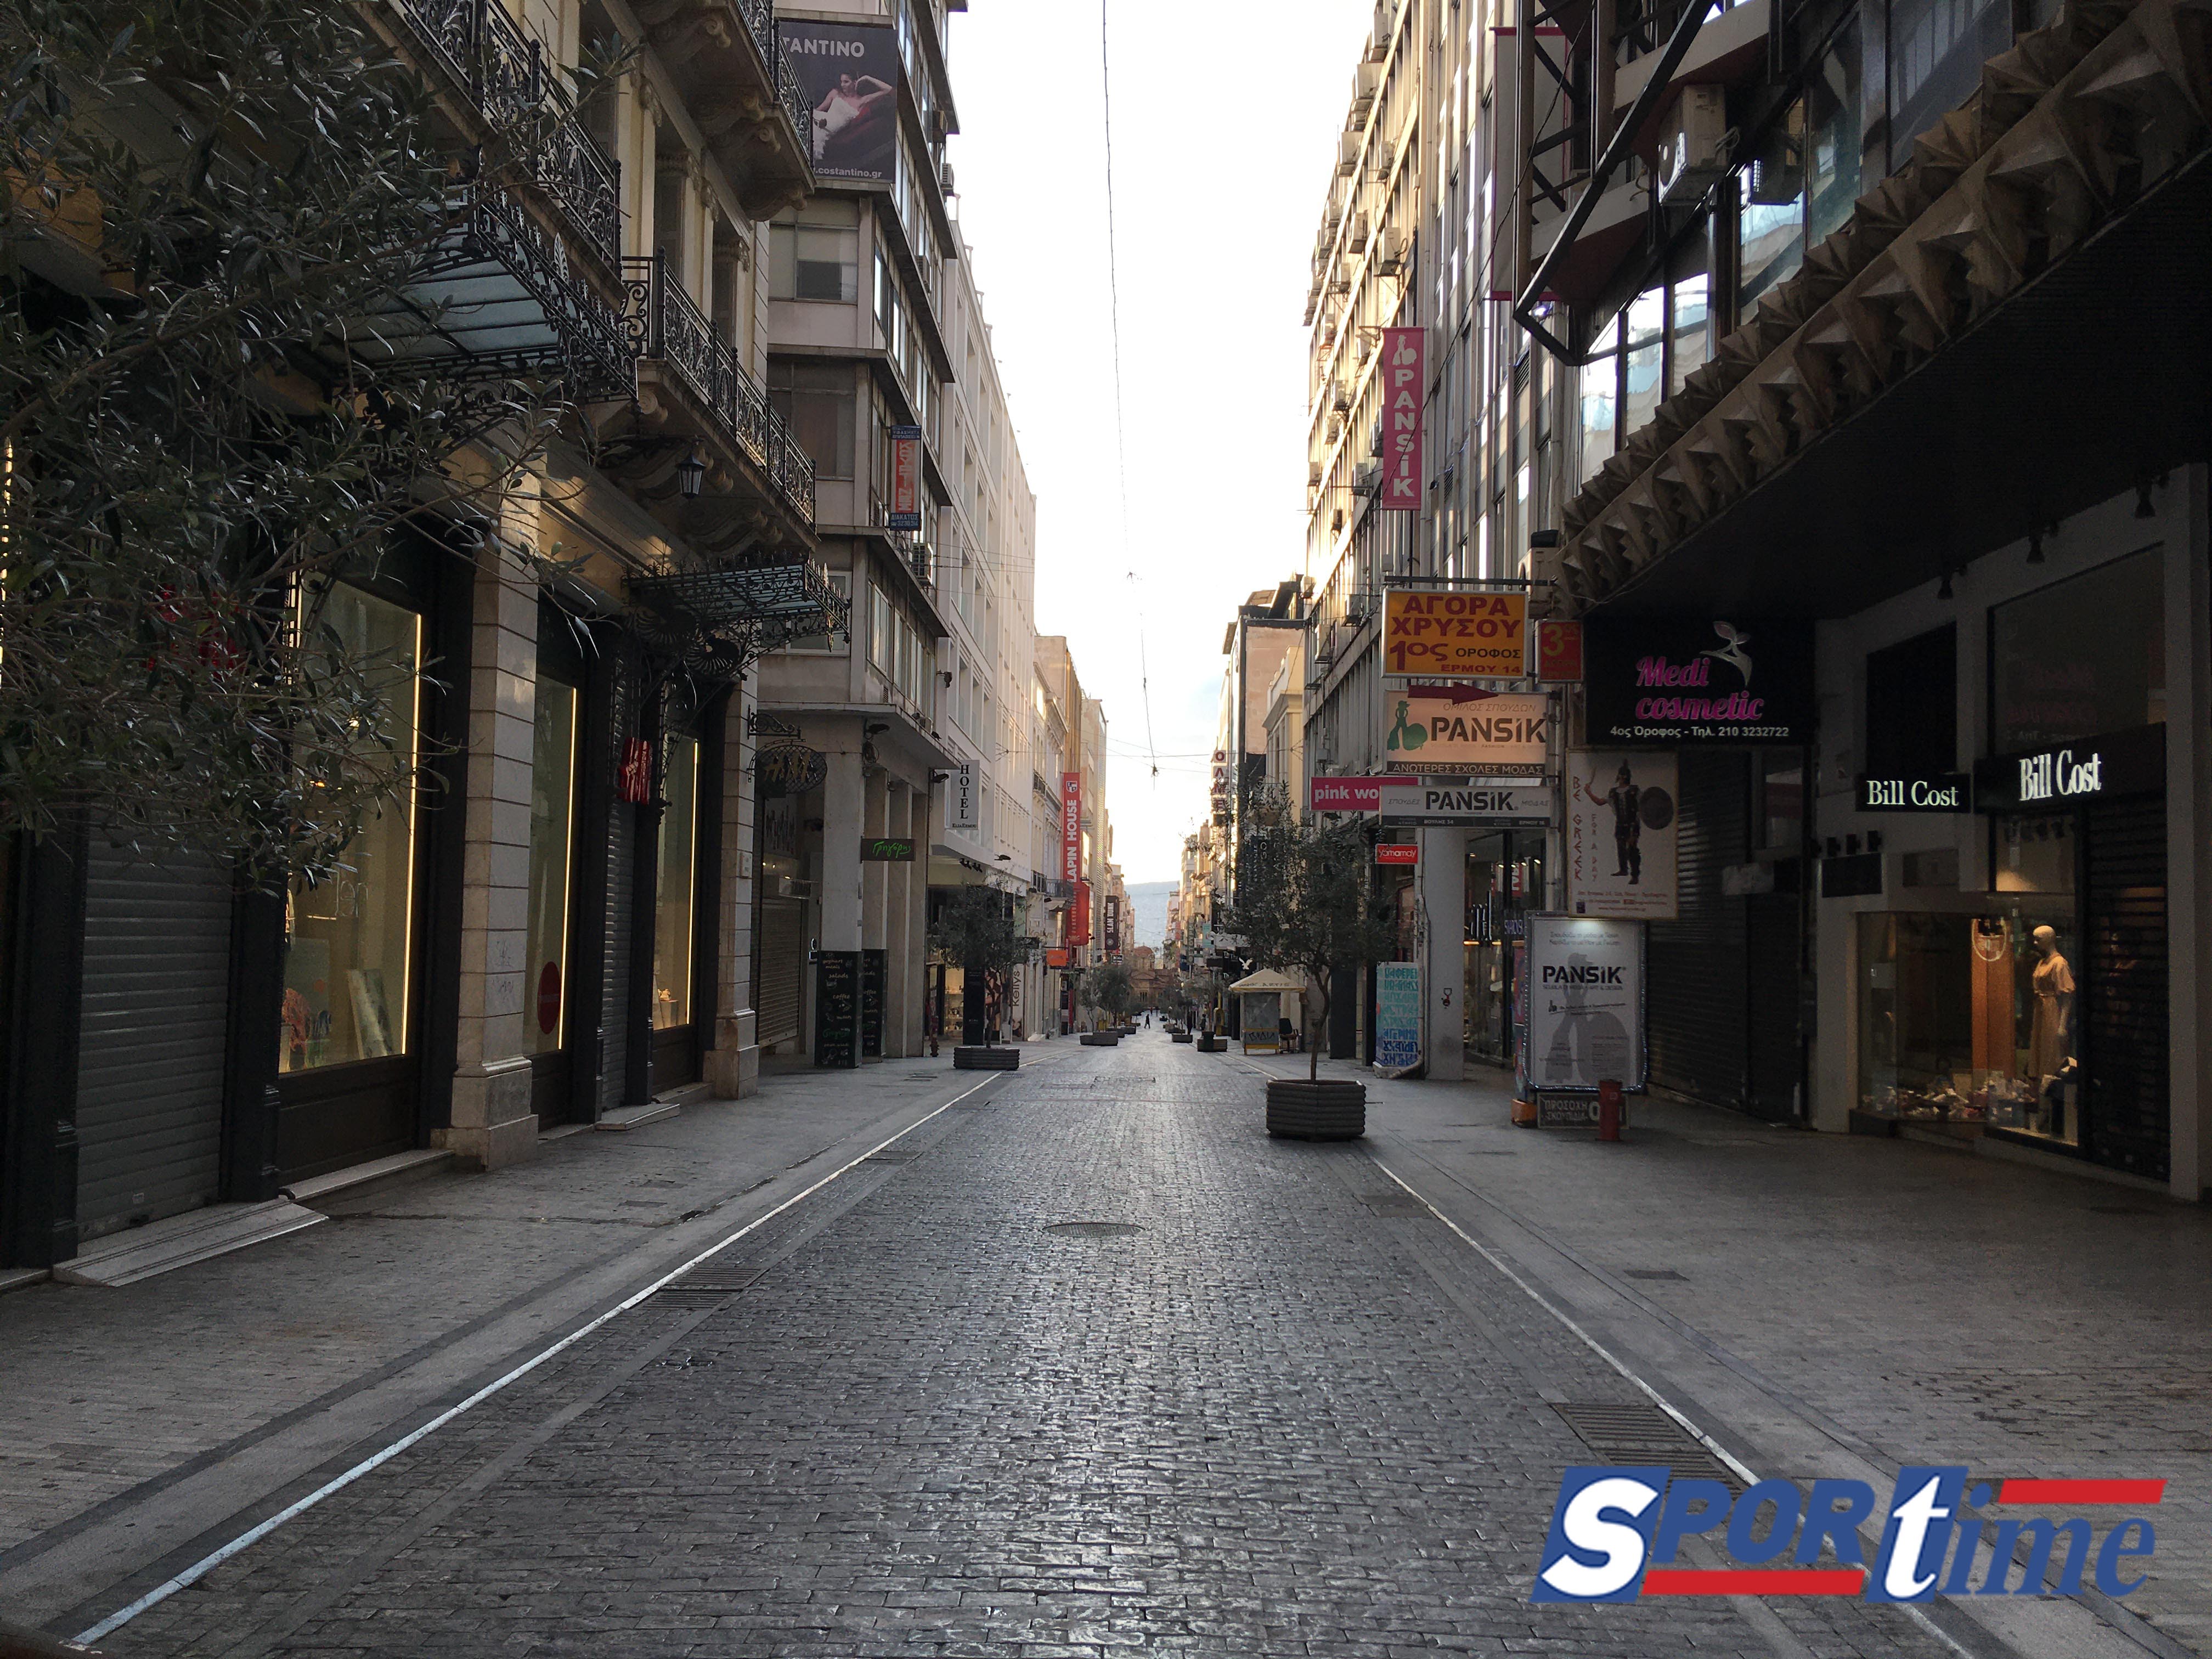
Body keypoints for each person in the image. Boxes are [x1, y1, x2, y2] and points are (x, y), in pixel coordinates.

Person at [812, 72, 894, 161]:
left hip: (828, 133)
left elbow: (888, 89)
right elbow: (818, 110)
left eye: (846, 82)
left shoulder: (861, 101)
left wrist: (867, 77)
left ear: (855, 82)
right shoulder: (835, 93)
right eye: (841, 82)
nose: (842, 85)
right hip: (819, 122)